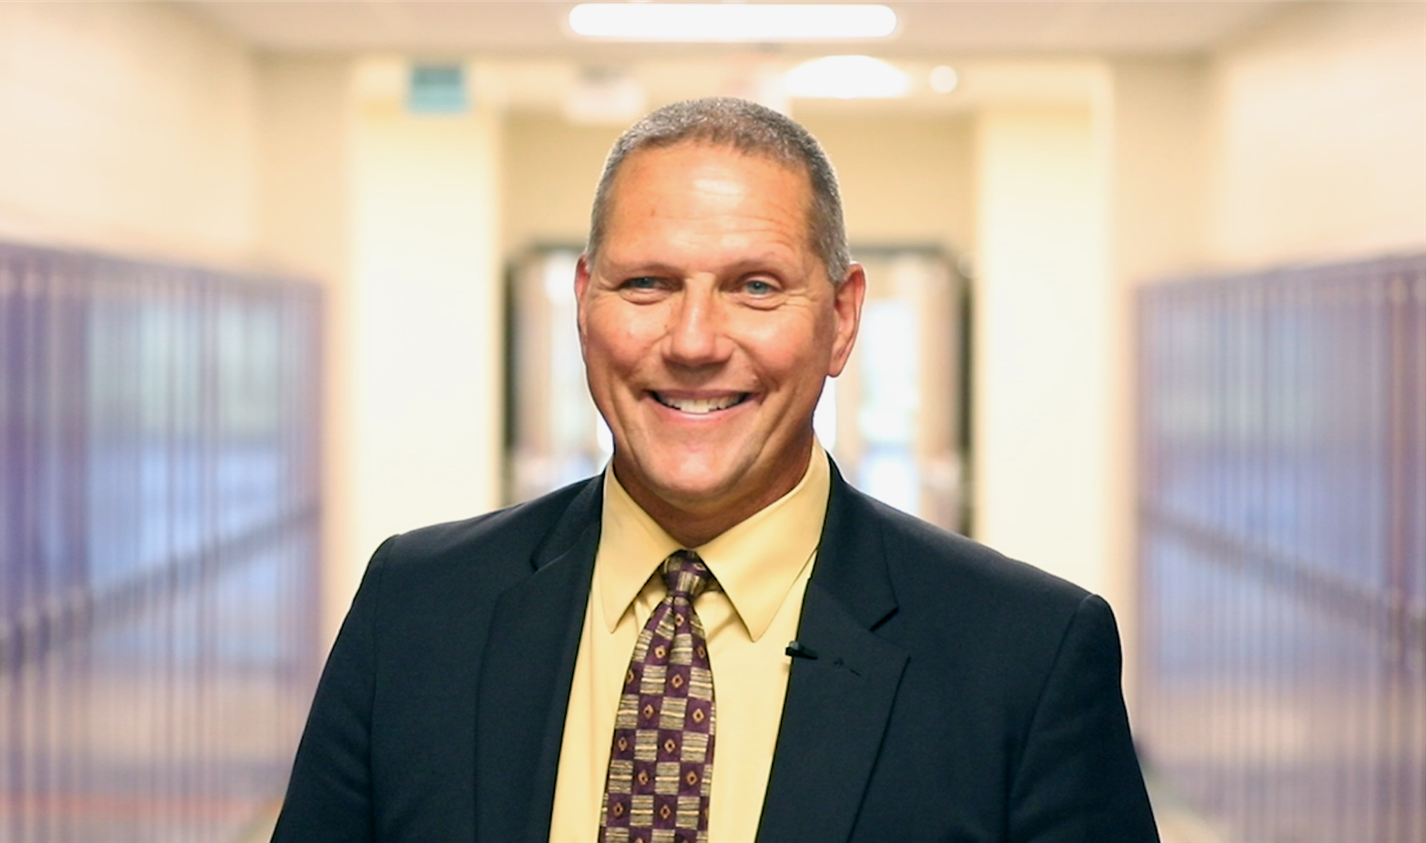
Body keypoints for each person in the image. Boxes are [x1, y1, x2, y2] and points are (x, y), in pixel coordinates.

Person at [272, 97, 1159, 843]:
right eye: (648, 284)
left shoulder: (1025, 657)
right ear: (585, 306)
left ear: (844, 320)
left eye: (757, 287)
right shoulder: (418, 609)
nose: (694, 342)